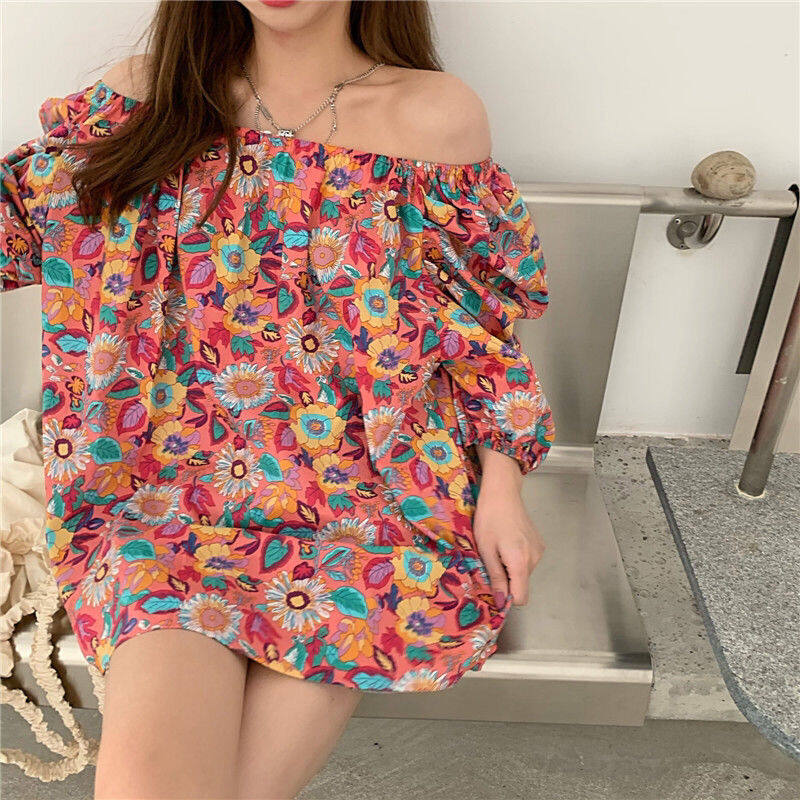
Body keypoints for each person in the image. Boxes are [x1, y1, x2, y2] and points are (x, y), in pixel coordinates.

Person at [0, 1, 555, 797]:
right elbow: (29, 221)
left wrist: (503, 488)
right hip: (166, 501)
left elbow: (483, 324)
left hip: (364, 508)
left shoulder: (433, 116)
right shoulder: (151, 96)